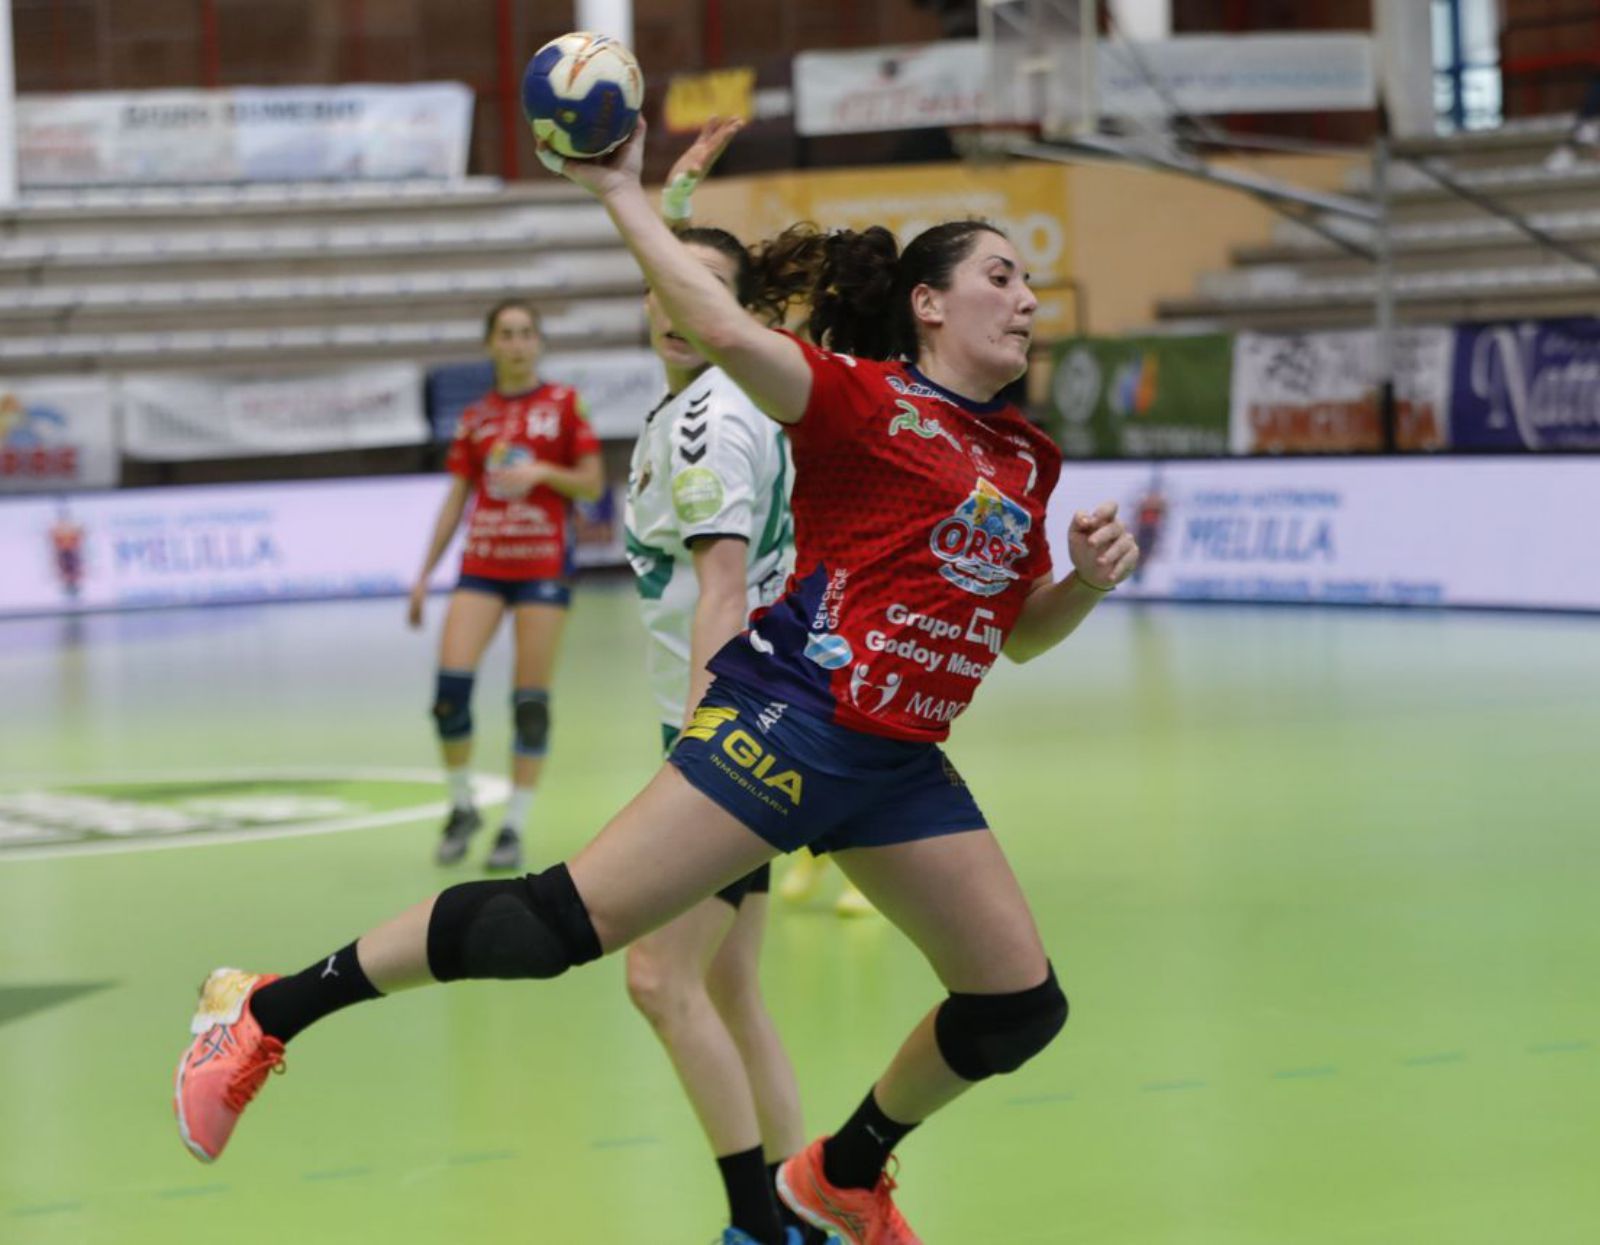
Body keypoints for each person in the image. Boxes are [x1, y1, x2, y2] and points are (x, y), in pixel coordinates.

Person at [171, 117, 1139, 1245]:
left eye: (1027, 280)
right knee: (552, 932)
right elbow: (719, 321)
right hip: (788, 724)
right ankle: (262, 1010)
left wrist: (1082, 583)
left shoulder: (1025, 458)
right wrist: (625, 193)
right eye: (999, 275)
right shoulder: (858, 401)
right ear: (929, 303)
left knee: (1018, 1005)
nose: (1025, 296)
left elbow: (1016, 634)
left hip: (898, 767)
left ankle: (839, 1178)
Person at [622, 120, 830, 1245]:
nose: (670, 299)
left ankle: (761, 1221)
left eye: (701, 290)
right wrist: (675, 190)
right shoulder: (713, 389)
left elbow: (717, 593)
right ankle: (811, 1206)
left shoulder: (710, 415)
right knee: (732, 989)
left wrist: (708, 759)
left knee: (657, 979)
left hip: (725, 732)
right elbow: (671, 265)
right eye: (665, 280)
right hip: (747, 718)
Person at [406, 300, 604, 872]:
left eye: (525, 334)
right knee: (449, 695)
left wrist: (543, 473)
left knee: (531, 705)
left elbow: (591, 485)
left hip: (542, 569)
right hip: (482, 566)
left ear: (538, 343)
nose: (516, 344)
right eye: (506, 334)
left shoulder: (565, 406)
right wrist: (423, 575)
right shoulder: (476, 418)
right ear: (491, 344)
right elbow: (455, 499)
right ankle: (462, 805)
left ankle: (512, 825)